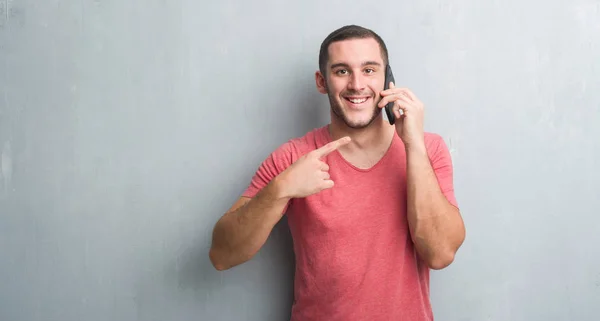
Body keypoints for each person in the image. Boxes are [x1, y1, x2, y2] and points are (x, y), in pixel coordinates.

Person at [209, 24, 466, 321]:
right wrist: (281, 189)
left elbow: (441, 253)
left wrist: (413, 146)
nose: (357, 84)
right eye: (342, 71)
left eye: (369, 70)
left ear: (388, 79)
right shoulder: (292, 158)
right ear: (322, 81)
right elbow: (221, 255)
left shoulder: (427, 149)